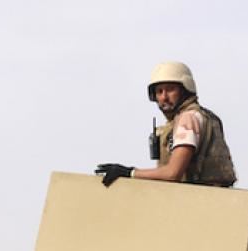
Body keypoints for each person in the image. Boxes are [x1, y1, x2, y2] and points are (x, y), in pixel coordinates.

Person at [95, 61, 237, 188]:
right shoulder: (202, 116)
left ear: (184, 90)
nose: (164, 97)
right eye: (159, 91)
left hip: (196, 199)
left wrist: (130, 172)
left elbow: (173, 173)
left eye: (170, 89)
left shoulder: (188, 118)